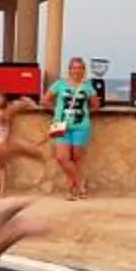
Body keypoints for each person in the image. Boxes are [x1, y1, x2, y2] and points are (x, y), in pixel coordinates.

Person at [0, 88, 52, 194]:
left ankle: (2, 190)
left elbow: (8, 127)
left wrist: (4, 139)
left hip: (0, 140)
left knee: (2, 166)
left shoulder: (7, 113)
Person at [46, 57, 97, 199]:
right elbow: (46, 100)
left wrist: (83, 114)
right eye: (74, 68)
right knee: (62, 157)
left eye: (80, 68)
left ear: (84, 70)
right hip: (61, 125)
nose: (77, 71)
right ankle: (81, 182)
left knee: (76, 158)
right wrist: (57, 112)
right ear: (69, 70)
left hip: (81, 126)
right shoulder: (60, 84)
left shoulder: (87, 87)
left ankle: (71, 189)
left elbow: (95, 105)